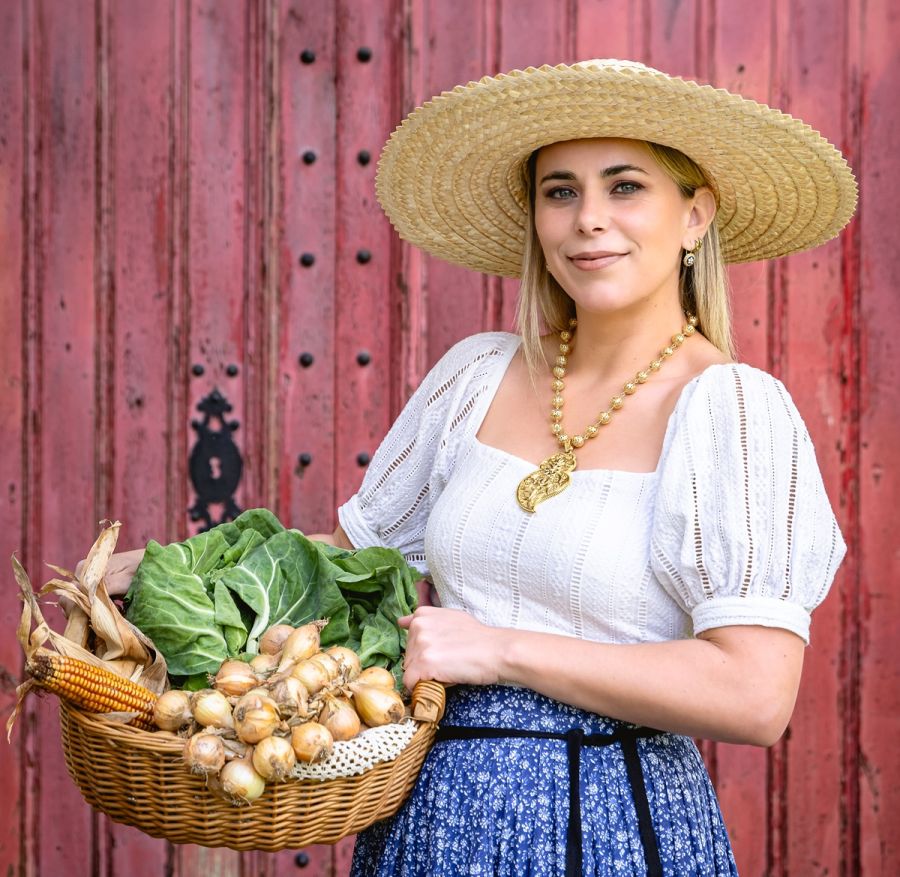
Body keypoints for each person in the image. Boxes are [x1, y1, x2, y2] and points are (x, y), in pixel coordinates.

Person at [99, 61, 856, 876]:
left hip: (607, 826)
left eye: (626, 186)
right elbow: (350, 569)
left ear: (694, 214)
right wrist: (170, 579)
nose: (588, 220)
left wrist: (498, 650)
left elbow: (755, 694)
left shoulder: (734, 411)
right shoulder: (478, 376)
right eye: (560, 191)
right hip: (433, 815)